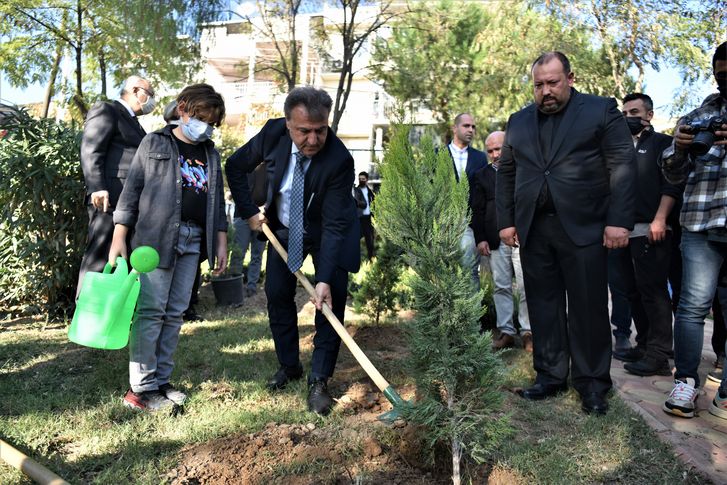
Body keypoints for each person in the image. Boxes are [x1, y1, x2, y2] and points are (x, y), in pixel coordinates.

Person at [496, 51, 636, 415]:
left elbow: (622, 163)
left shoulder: (600, 110)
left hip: (586, 226)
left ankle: (592, 384)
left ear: (570, 79)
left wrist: (619, 221)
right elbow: (507, 173)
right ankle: (550, 376)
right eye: (539, 85)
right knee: (543, 306)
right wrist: (506, 220)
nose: (545, 91)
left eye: (553, 83)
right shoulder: (519, 121)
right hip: (535, 229)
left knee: (588, 307)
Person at [226, 86, 360, 416]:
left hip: (328, 231)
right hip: (283, 229)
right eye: (304, 131)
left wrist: (325, 279)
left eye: (320, 131)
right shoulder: (272, 133)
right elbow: (234, 166)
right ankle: (290, 366)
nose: (313, 140)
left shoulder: (340, 160)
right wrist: (248, 211)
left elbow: (333, 226)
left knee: (330, 301)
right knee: (277, 294)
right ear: (288, 124)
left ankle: (319, 379)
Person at [109, 84, 228, 411]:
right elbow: (131, 192)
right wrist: (119, 237)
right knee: (152, 311)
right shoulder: (155, 142)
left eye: (212, 122)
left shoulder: (210, 154)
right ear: (183, 109)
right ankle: (141, 389)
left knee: (175, 312)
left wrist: (220, 241)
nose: (205, 126)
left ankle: (161, 380)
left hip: (193, 241)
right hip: (155, 241)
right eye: (200, 117)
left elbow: (216, 203)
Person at [661, 41, 727, 421]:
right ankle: (685, 380)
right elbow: (671, 173)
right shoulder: (698, 114)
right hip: (700, 224)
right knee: (691, 307)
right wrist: (680, 149)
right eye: (720, 75)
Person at [612, 93, 682, 376]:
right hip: (620, 233)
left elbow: (673, 184)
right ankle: (644, 344)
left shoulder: (664, 144)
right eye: (625, 112)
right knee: (631, 292)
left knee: (654, 292)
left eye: (635, 112)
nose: (629, 117)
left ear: (649, 115)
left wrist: (660, 219)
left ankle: (659, 354)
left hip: (651, 230)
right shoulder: (617, 146)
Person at [76, 76, 155, 298]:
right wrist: (97, 187)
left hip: (129, 204)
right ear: (134, 90)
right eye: (149, 93)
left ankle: (110, 313)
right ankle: (85, 310)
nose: (151, 100)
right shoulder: (107, 110)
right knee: (100, 255)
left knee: (119, 259)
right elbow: (91, 148)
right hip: (107, 201)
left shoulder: (136, 125)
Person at [472, 131, 532, 352]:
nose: (495, 154)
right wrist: (481, 239)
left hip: (522, 239)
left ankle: (528, 332)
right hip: (495, 241)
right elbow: (477, 211)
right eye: (490, 151)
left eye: (499, 149)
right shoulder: (481, 176)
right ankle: (506, 331)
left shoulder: (524, 171)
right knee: (502, 286)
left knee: (527, 286)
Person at [447, 113, 488, 286]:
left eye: (473, 126)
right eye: (466, 126)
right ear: (454, 128)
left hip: (469, 223)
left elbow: (483, 192)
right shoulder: (437, 154)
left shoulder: (480, 157)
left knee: (470, 272)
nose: (471, 130)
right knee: (444, 273)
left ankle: (471, 313)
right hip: (442, 223)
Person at [229, 178, 267, 297]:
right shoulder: (245, 163)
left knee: (257, 255)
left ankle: (252, 287)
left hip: (262, 217)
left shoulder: (271, 165)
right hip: (242, 216)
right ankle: (234, 287)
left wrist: (265, 208)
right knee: (238, 253)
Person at [353, 171, 376, 259]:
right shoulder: (356, 190)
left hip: (368, 218)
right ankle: (357, 258)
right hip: (359, 218)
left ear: (366, 180)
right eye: (359, 179)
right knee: (356, 239)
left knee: (370, 239)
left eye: (363, 179)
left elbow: (373, 203)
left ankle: (371, 258)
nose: (361, 180)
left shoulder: (369, 191)